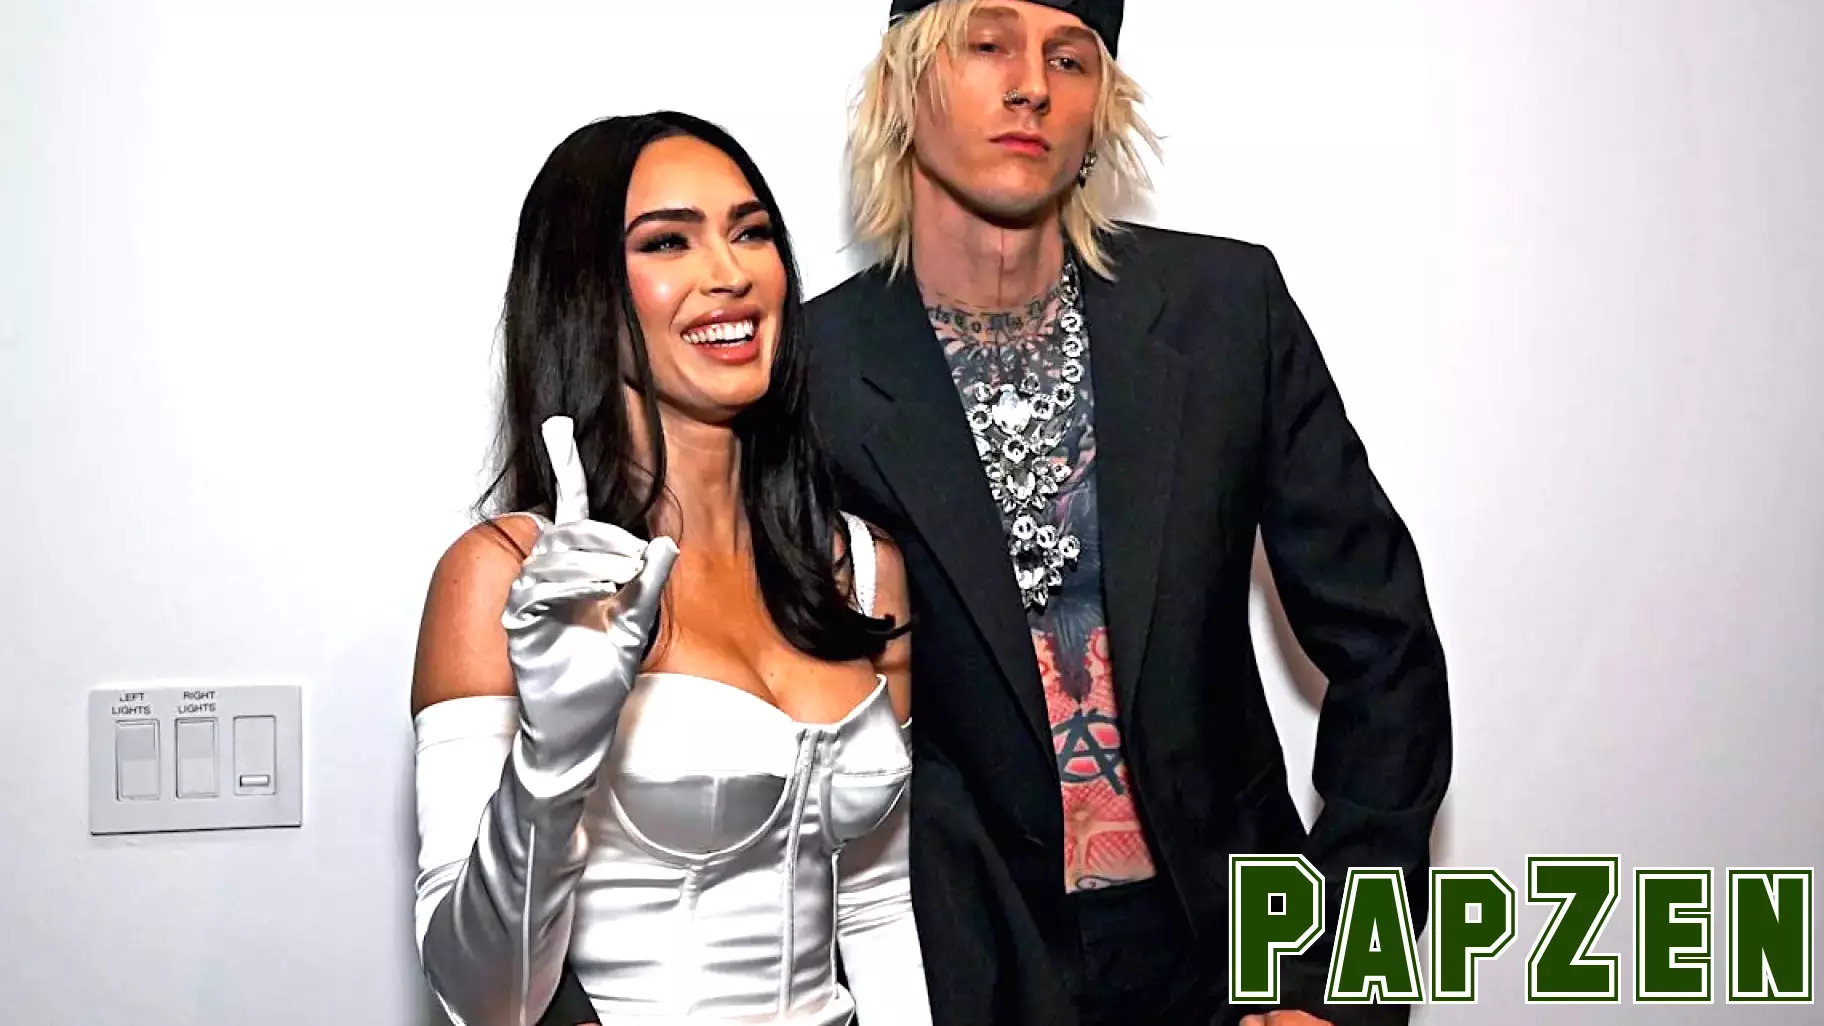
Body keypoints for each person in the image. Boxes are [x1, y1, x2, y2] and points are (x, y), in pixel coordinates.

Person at [804, 3, 1452, 1025]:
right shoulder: (809, 373)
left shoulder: (1225, 310)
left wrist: (1337, 986)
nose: (1032, 85)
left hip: (1235, 957)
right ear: (902, 86)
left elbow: (1387, 647)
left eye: (1070, 58)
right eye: (987, 45)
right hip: (959, 970)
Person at [408, 111, 934, 1026]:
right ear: (583, 293)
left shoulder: (862, 567)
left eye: (750, 233)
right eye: (667, 242)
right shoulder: (504, 577)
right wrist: (554, 757)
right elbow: (484, 999)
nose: (728, 273)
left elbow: (879, 911)